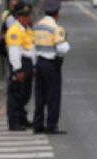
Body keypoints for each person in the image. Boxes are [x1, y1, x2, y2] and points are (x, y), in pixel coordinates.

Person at [33, 0, 70, 134]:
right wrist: (65, 41)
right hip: (51, 65)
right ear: (57, 13)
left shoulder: (37, 26)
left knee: (40, 96)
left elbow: (33, 47)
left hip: (39, 63)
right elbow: (62, 49)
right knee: (53, 96)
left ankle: (37, 124)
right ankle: (51, 125)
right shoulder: (56, 28)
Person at [5, 1, 34, 131]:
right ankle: (14, 122)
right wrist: (18, 70)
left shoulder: (27, 29)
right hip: (19, 65)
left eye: (28, 15)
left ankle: (22, 118)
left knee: (24, 94)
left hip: (27, 64)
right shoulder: (15, 31)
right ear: (17, 16)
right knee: (15, 94)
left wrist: (33, 67)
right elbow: (14, 52)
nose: (27, 18)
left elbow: (31, 49)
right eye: (24, 16)